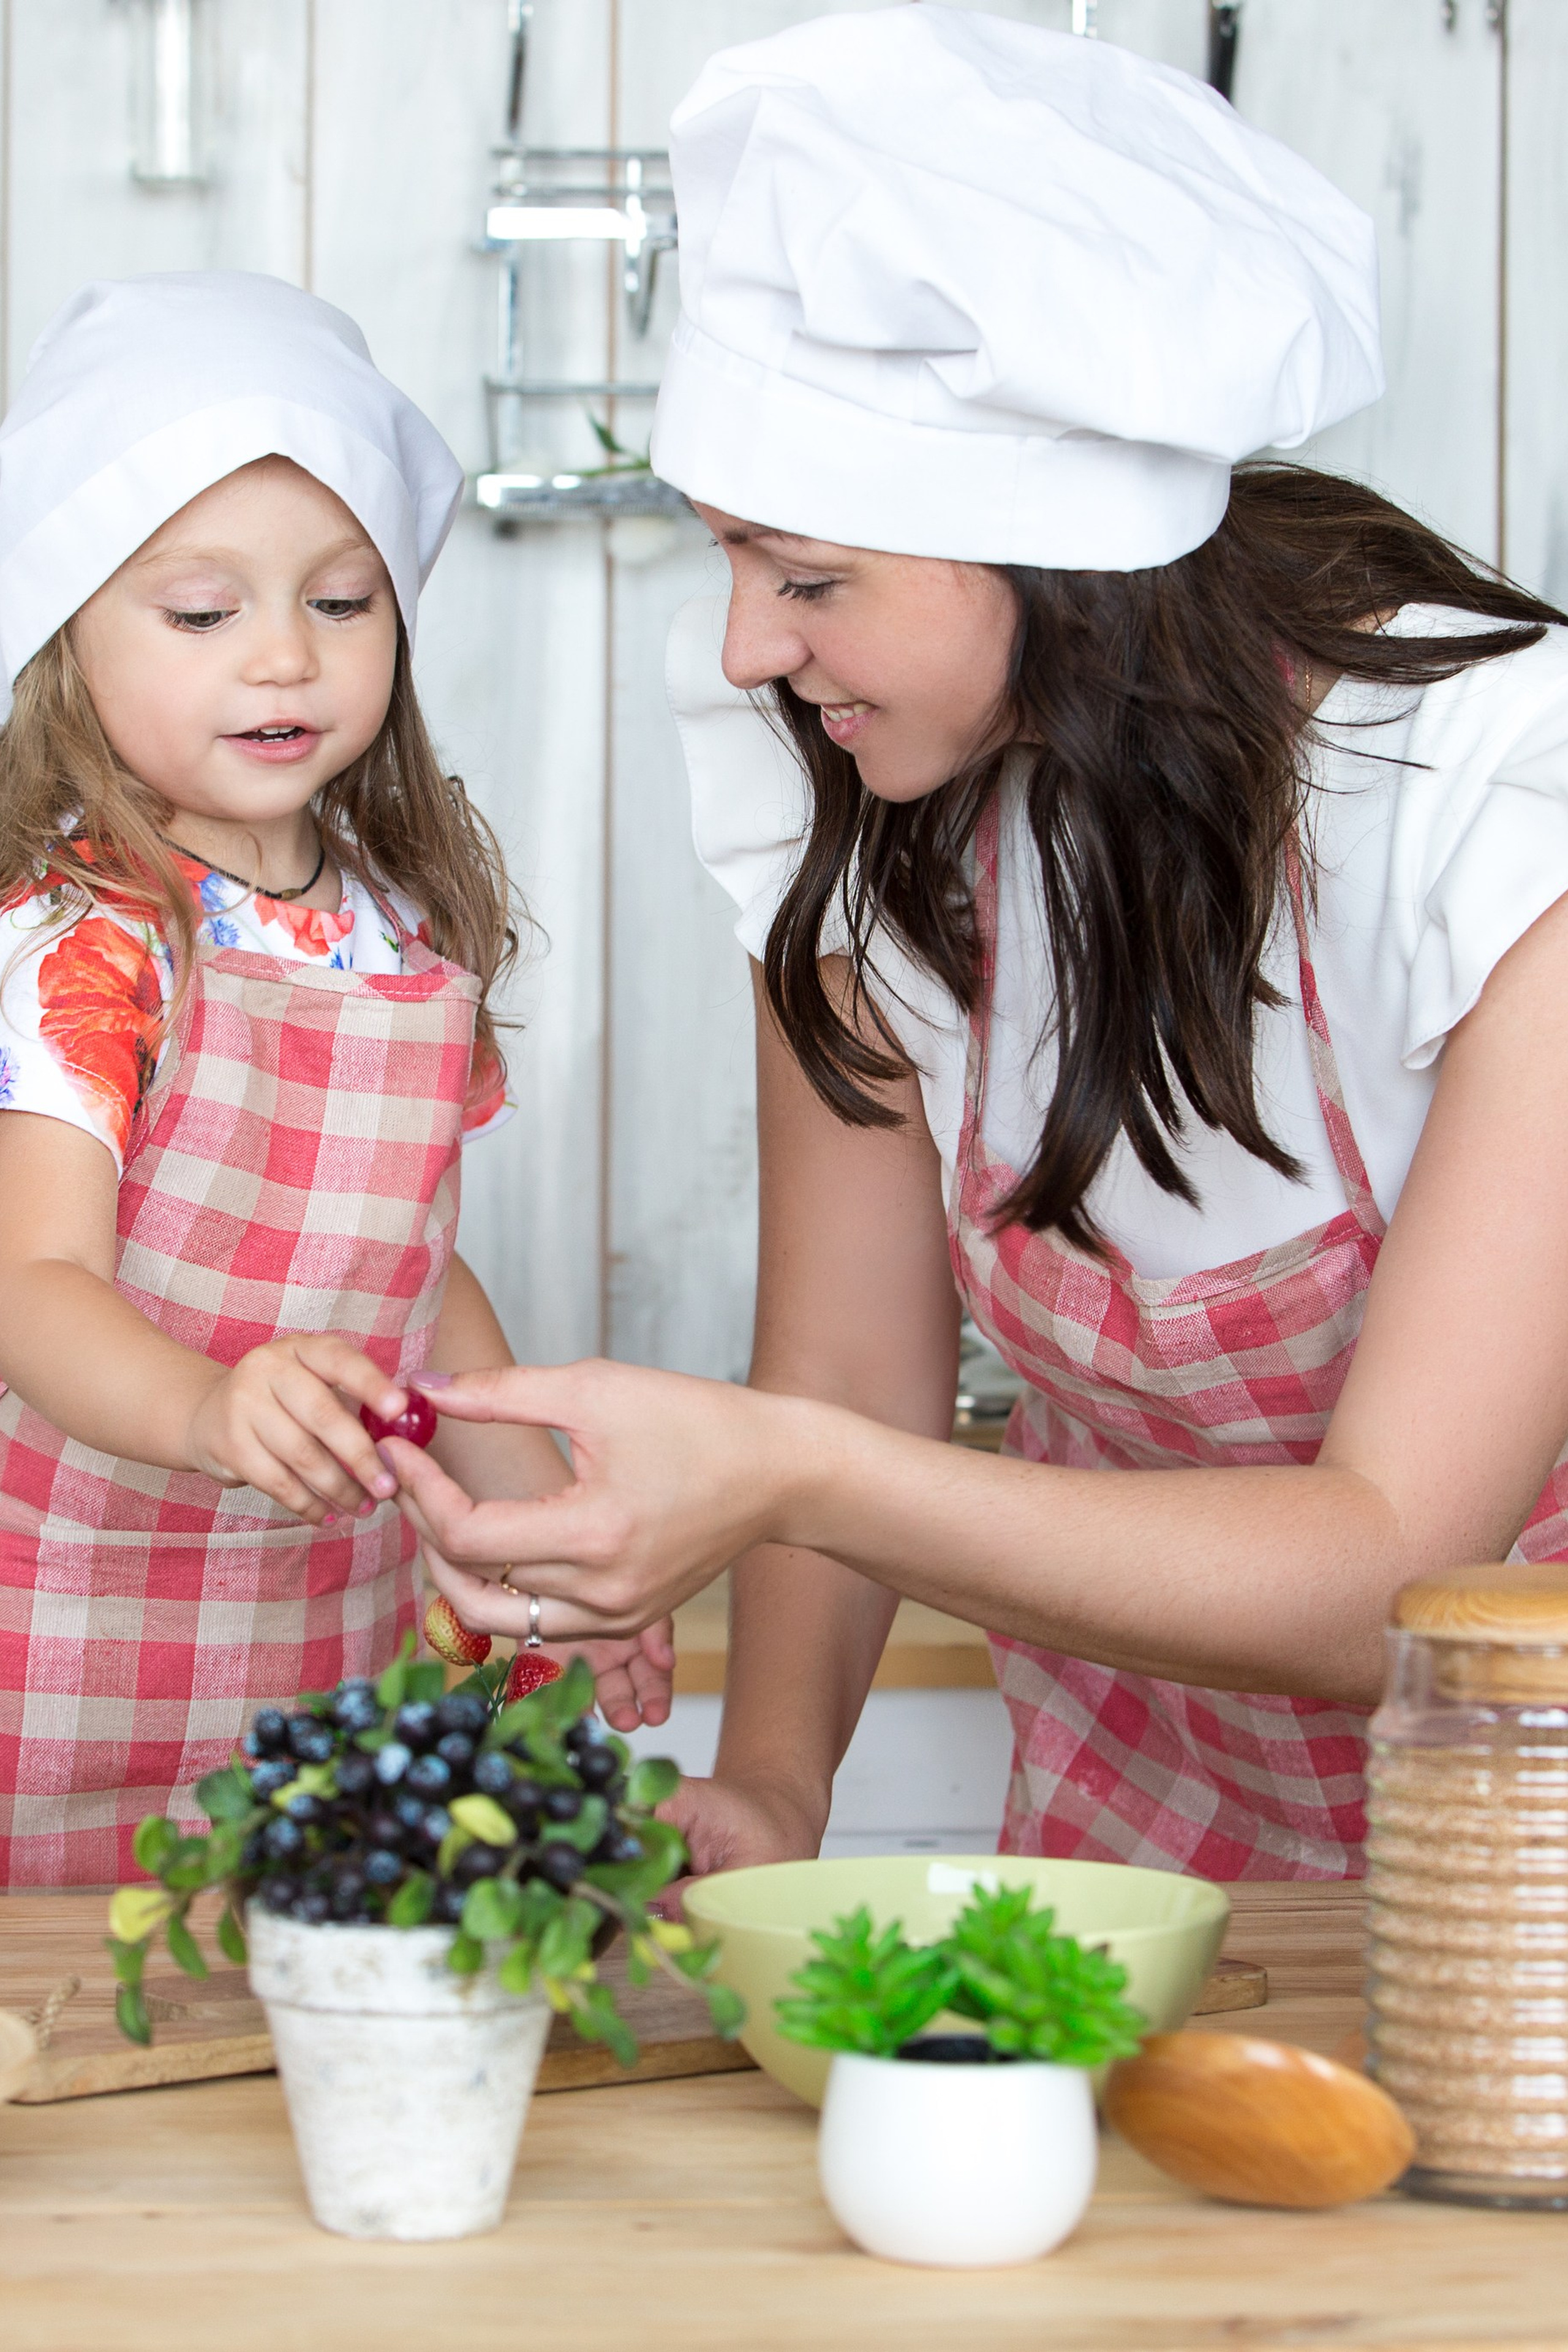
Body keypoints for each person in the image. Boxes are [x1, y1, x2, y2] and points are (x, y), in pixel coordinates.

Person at [386, 9, 1568, 1883]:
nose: (743, 650)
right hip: (1139, 1839)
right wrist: (776, 1789)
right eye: (733, 561)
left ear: (1057, 551)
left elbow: (1396, 1578)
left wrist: (793, 1476)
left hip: (1529, 1862)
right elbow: (851, 1375)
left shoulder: (1496, 808)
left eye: (812, 576)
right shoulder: (856, 812)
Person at [0, 273, 665, 1887]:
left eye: (344, 601)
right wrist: (209, 1409)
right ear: (71, 630)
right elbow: (29, 1282)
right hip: (58, 1614)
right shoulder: (86, 942)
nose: (285, 659)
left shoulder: (397, 929)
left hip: (308, 1614)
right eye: (203, 610)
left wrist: (535, 1548)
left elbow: (413, 1273)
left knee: (277, 1953)